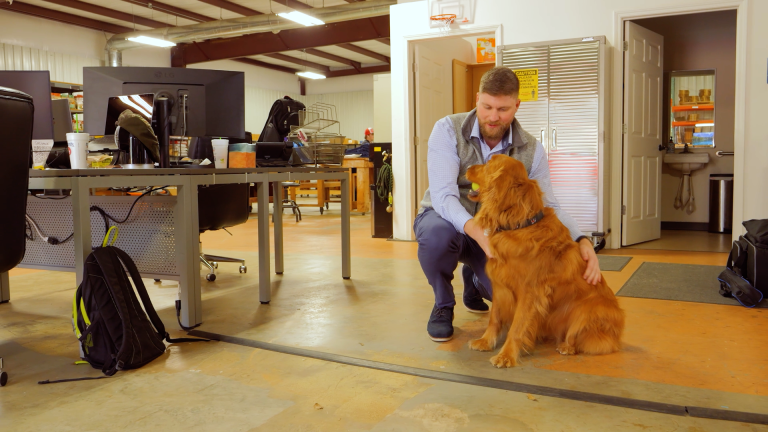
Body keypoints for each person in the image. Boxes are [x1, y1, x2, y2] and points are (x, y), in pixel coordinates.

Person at [413, 67, 602, 342]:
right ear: (477, 98)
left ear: (516, 105)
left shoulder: (532, 150)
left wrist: (582, 240)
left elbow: (550, 205)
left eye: (502, 109)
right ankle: (443, 305)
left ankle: (475, 281)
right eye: (486, 106)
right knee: (436, 236)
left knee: (512, 299)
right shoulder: (447, 129)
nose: (493, 116)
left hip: (496, 234)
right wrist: (477, 232)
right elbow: (443, 196)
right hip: (447, 220)